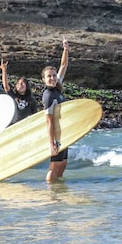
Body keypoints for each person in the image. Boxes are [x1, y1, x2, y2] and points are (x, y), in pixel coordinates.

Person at [41, 37, 69, 183]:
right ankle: (50, 191)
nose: (52, 78)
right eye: (49, 76)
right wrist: (51, 143)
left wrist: (65, 49)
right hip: (56, 134)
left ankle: (58, 191)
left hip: (63, 132)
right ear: (44, 80)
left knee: (63, 164)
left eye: (53, 76)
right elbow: (48, 121)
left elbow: (63, 65)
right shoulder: (48, 96)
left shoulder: (57, 87)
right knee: (55, 165)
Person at [0, 59, 38, 123]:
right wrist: (4, 70)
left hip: (25, 124)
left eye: (22, 83)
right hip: (13, 124)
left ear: (26, 86)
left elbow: (34, 114)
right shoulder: (13, 96)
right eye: (18, 83)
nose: (20, 85)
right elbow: (6, 86)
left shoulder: (31, 100)